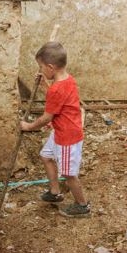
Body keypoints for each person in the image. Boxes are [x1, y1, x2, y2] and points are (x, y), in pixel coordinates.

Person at [20, 41, 90, 218]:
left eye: (41, 66)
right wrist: (45, 86)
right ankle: (54, 192)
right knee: (46, 156)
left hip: (67, 136)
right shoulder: (68, 80)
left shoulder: (57, 89)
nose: (41, 70)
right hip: (61, 130)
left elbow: (46, 117)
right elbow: (58, 100)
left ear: (51, 67)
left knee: (68, 173)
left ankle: (82, 206)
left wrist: (28, 126)